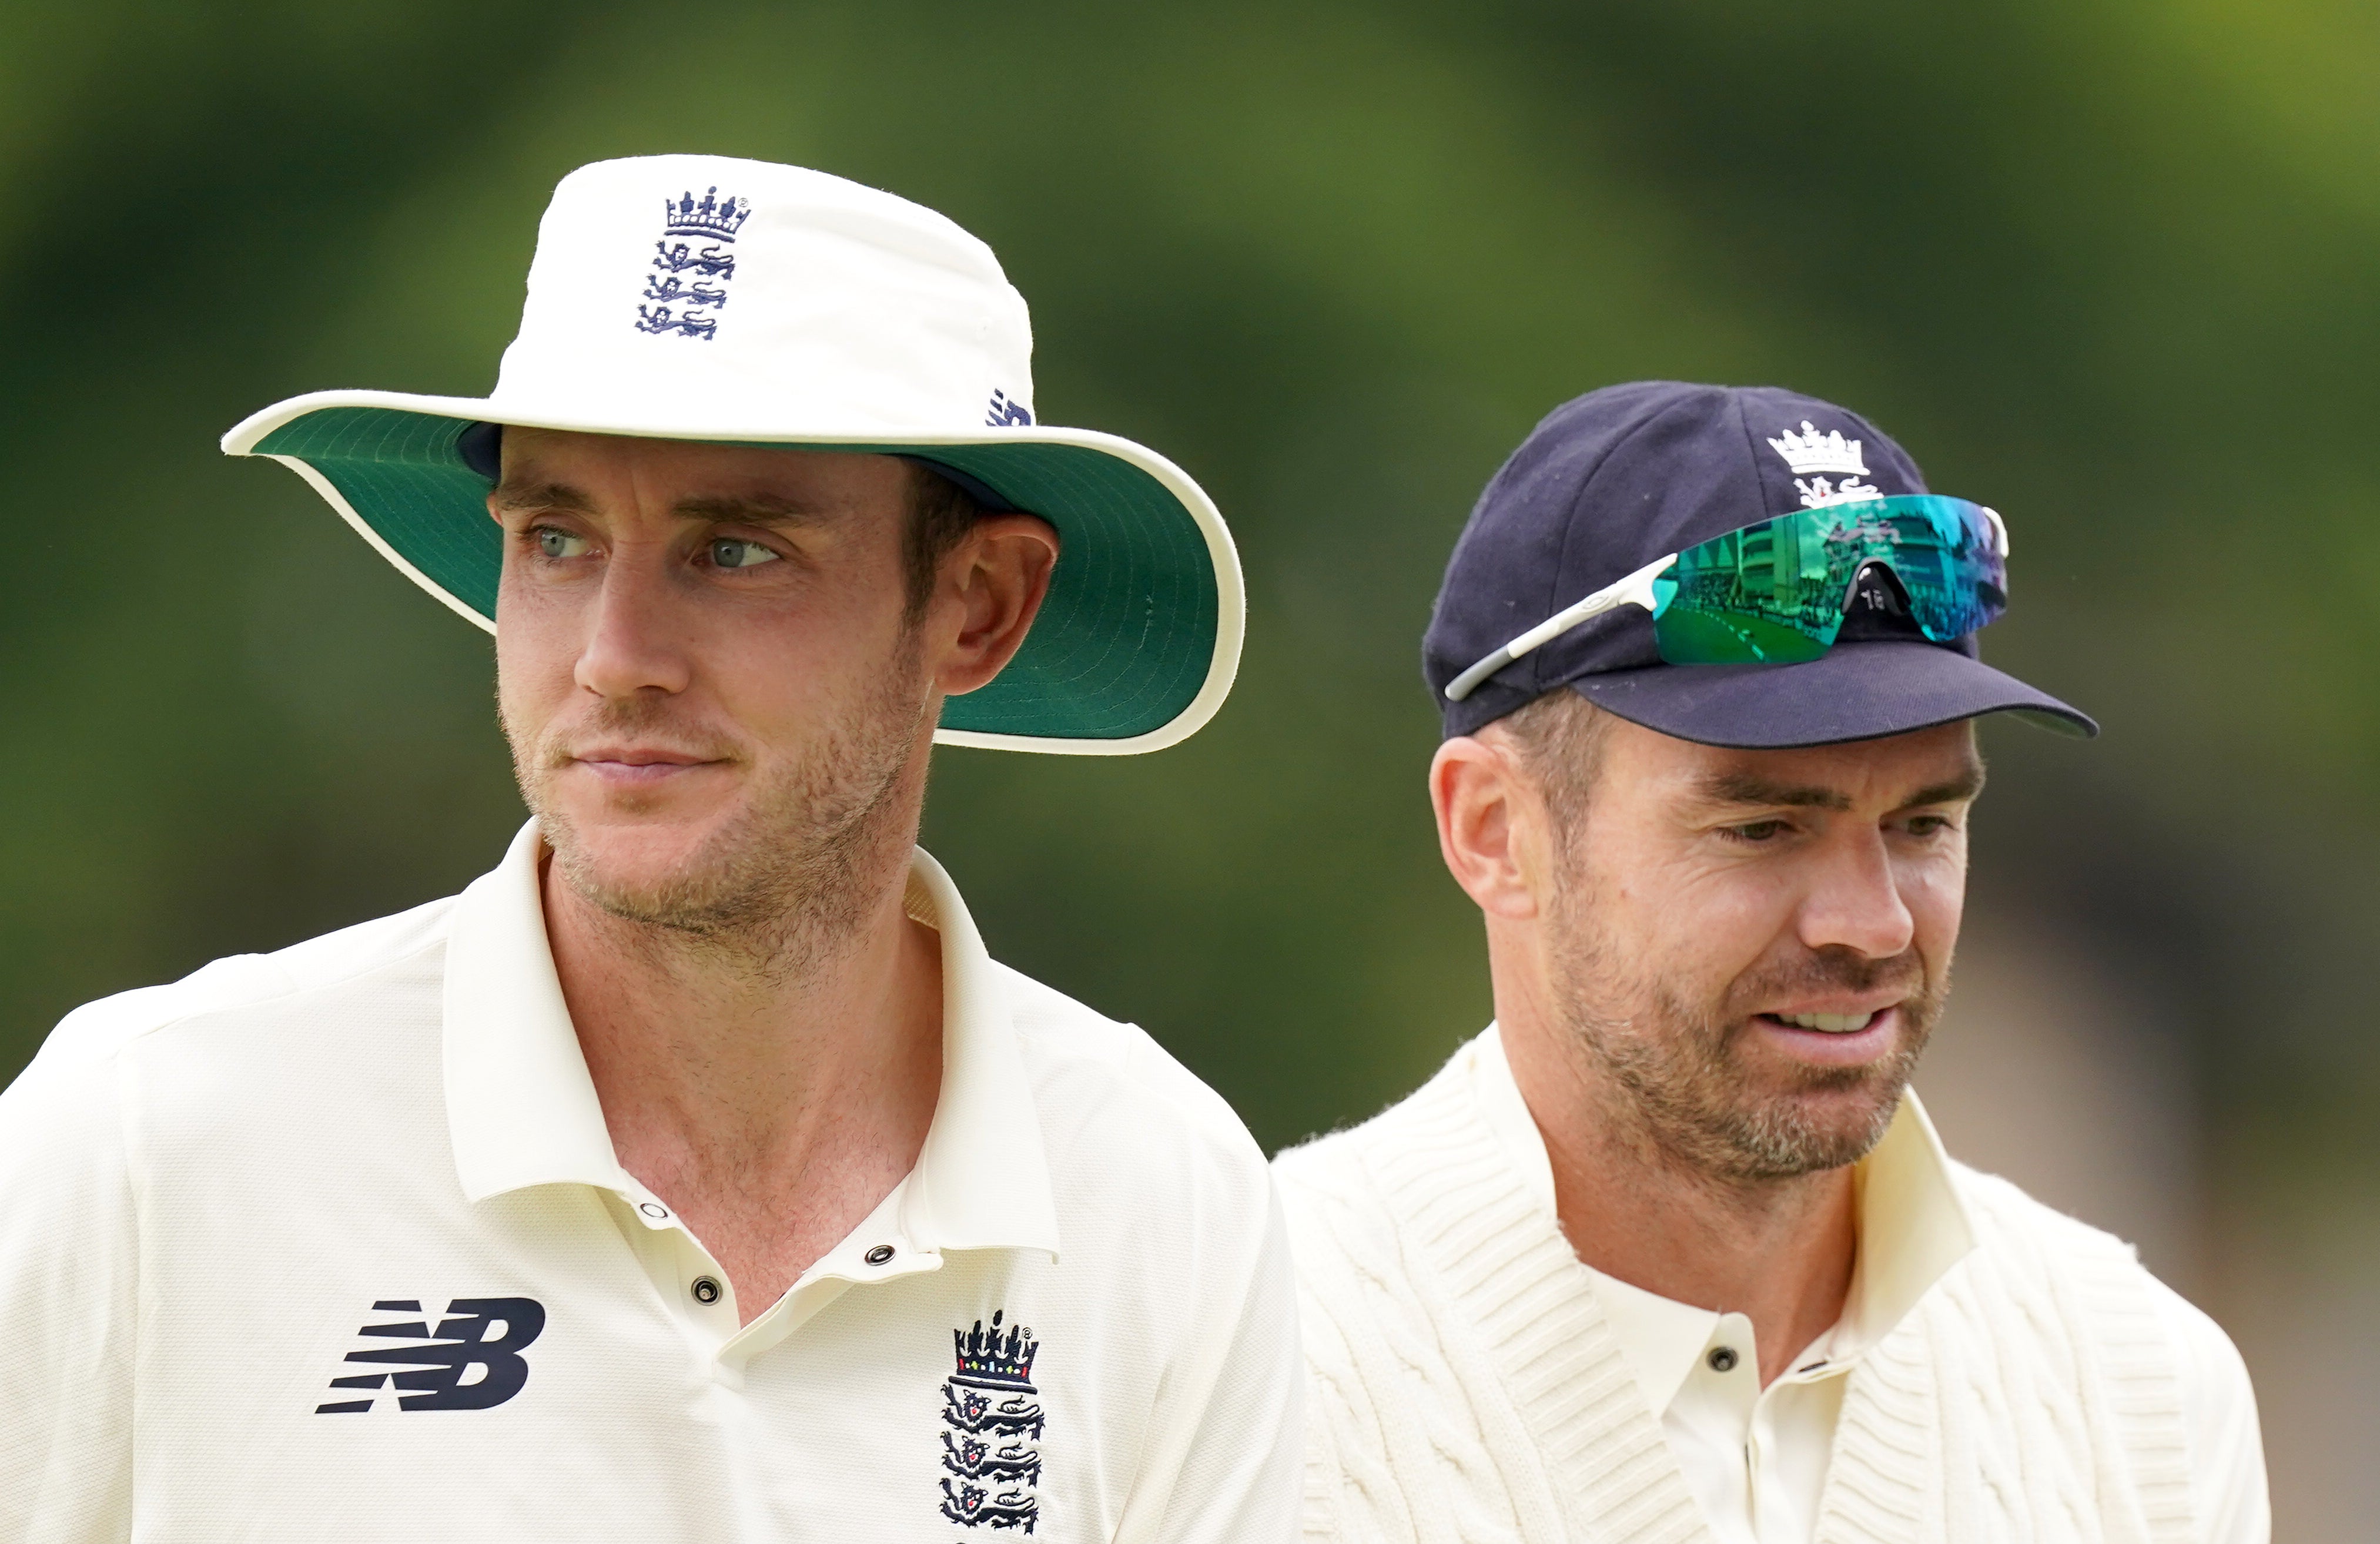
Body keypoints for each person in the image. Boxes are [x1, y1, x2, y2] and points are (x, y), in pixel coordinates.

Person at [0, 155, 1298, 1542]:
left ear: (977, 607)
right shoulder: (148, 1140)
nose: (615, 661)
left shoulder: (1162, 1194)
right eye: (555, 539)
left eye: (736, 552)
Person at [1276, 382, 2266, 1544]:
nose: (1875, 924)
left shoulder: (2144, 1395)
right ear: (1495, 830)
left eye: (1922, 824)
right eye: (1761, 828)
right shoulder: (1235, 1350)